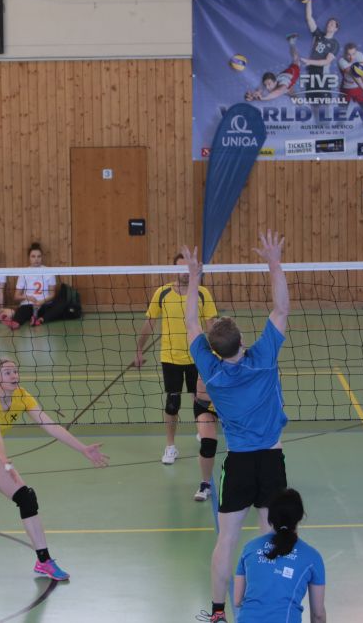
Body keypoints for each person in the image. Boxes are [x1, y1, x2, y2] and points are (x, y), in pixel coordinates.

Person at [183, 230, 291, 623]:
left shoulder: (210, 370)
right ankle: (268, 608)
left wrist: (194, 276)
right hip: (271, 459)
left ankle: (217, 612)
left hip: (240, 463)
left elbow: (191, 321)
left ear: (213, 350)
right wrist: (274, 262)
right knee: (269, 536)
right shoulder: (263, 357)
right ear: (242, 339)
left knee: (227, 540)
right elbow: (281, 309)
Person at [0, 358, 109, 580]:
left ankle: (43, 561)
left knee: (27, 498)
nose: (14, 376)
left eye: (15, 371)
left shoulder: (22, 395)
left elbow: (50, 425)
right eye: (7, 372)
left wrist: (83, 449)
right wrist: (6, 463)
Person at [131, 255, 218, 469]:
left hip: (198, 357)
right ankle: (170, 446)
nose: (185, 272)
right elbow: (149, 323)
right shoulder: (162, 293)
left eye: (189, 268)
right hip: (170, 358)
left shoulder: (202, 293)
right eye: (181, 268)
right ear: (173, 270)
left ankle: (203, 431)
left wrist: (219, 352)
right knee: (172, 404)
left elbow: (212, 325)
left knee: (202, 400)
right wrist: (139, 349)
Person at [232, 488, 326, 623]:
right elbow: (318, 615)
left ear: (270, 517)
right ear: (300, 517)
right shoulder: (312, 558)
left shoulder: (249, 548)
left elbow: (237, 600)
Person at [7, 243, 57, 329]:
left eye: (39, 256)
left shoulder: (49, 271)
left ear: (42, 257)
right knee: (21, 311)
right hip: (29, 305)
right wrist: (29, 297)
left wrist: (41, 301)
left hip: (44, 305)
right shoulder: (23, 272)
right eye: (33, 256)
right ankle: (17, 322)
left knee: (57, 308)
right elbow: (16, 296)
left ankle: (39, 319)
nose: (36, 259)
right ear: (29, 258)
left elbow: (52, 294)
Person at [301, 0, 340, 103]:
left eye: (332, 24)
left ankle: (326, 114)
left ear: (336, 29)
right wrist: (309, 0)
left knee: (325, 101)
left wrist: (309, 61)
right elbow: (309, 18)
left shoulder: (335, 44)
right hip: (311, 71)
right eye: (329, 23)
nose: (329, 24)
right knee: (311, 100)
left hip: (322, 74)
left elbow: (326, 61)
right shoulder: (318, 34)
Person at [245, 35, 301, 102]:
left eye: (269, 84)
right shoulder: (267, 83)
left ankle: (291, 42)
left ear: (275, 82)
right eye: (266, 84)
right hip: (284, 77)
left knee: (296, 59)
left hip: (294, 71)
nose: (267, 87)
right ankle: (297, 99)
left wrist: (263, 98)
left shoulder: (283, 84)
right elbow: (259, 90)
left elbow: (277, 93)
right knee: (291, 93)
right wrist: (253, 95)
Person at [192, 382, 222, 502]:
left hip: (235, 404)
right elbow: (201, 393)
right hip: (207, 404)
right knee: (208, 443)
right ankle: (205, 483)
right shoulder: (206, 368)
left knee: (244, 445)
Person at [338, 42, 363, 109]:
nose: (351, 57)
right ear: (345, 53)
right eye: (348, 55)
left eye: (353, 54)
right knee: (342, 110)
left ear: (356, 52)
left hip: (358, 87)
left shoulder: (360, 55)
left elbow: (362, 72)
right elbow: (354, 74)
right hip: (346, 88)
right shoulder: (341, 61)